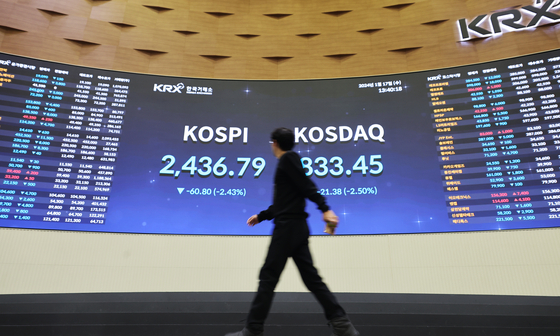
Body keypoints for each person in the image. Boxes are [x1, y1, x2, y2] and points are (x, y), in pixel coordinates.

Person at [225, 128, 359, 336]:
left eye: (271, 142)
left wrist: (325, 208)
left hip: (287, 229)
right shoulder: (290, 162)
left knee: (268, 277)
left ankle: (252, 330)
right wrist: (261, 216)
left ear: (275, 142)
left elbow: (307, 186)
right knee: (312, 279)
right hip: (296, 228)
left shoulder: (288, 159)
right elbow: (283, 203)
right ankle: (344, 327)